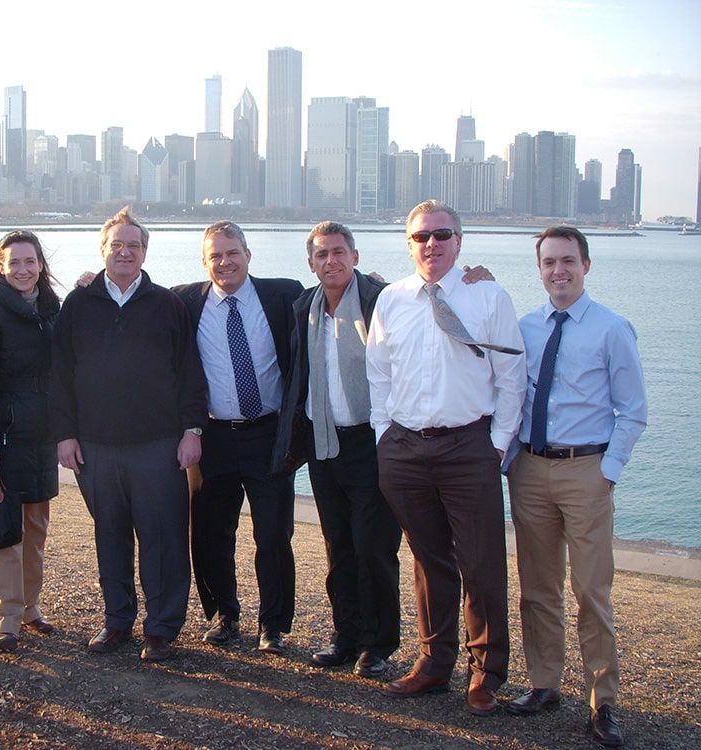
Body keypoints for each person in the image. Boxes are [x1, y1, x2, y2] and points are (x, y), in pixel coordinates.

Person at [365, 200, 526, 715]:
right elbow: (379, 372)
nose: (430, 244)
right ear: (408, 244)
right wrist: (384, 434)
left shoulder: (489, 296)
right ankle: (435, 664)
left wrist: (496, 444)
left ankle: (486, 672)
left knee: (480, 562)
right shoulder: (392, 299)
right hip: (406, 448)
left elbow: (512, 377)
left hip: (467, 447)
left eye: (441, 234)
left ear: (460, 240)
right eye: (420, 237)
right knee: (429, 560)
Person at [504, 226, 646, 748]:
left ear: (586, 265)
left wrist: (608, 471)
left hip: (587, 469)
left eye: (568, 260)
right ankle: (544, 684)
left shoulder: (612, 329)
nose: (558, 270)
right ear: (538, 269)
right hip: (530, 469)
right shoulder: (523, 327)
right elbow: (510, 392)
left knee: (591, 590)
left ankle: (602, 701)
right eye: (548, 262)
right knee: (538, 588)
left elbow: (633, 411)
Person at [50, 206, 207, 662]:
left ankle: (161, 627)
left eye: (132, 246)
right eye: (116, 245)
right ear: (103, 250)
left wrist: (191, 430)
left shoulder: (168, 305)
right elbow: (60, 373)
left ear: (144, 253)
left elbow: (190, 375)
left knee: (164, 538)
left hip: (158, 445)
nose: (124, 252)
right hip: (95, 447)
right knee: (110, 535)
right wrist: (64, 433)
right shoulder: (78, 304)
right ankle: (116, 620)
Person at [271, 221, 403, 679]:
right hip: (324, 444)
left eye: (339, 252)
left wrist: (474, 276)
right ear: (311, 263)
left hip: (371, 441)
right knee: (338, 548)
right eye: (322, 254)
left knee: (375, 548)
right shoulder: (304, 306)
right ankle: (345, 636)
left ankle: (379, 643)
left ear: (355, 256)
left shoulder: (380, 299)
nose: (332, 261)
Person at [172, 221, 302, 655]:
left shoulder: (284, 295)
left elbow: (339, 291)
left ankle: (273, 625)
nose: (224, 262)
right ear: (204, 261)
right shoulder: (185, 302)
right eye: (215, 256)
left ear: (248, 254)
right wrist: (90, 281)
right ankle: (223, 614)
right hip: (212, 438)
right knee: (210, 532)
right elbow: (135, 300)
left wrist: (373, 283)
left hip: (269, 435)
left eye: (233, 253)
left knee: (273, 535)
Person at [0, 230, 61, 653]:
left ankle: (29, 607)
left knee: (36, 529)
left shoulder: (51, 310)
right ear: (1, 268)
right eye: (14, 263)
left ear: (41, 266)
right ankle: (3, 618)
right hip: (2, 442)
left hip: (42, 440)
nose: (23, 270)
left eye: (30, 261)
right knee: (5, 531)